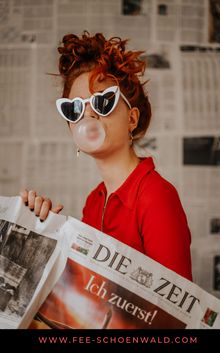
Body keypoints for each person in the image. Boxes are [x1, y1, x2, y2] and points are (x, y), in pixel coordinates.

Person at [20, 31, 192, 281]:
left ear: (132, 119)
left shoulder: (156, 196)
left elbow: (178, 316)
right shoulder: (94, 201)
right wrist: (46, 232)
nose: (88, 117)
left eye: (102, 103)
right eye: (74, 108)